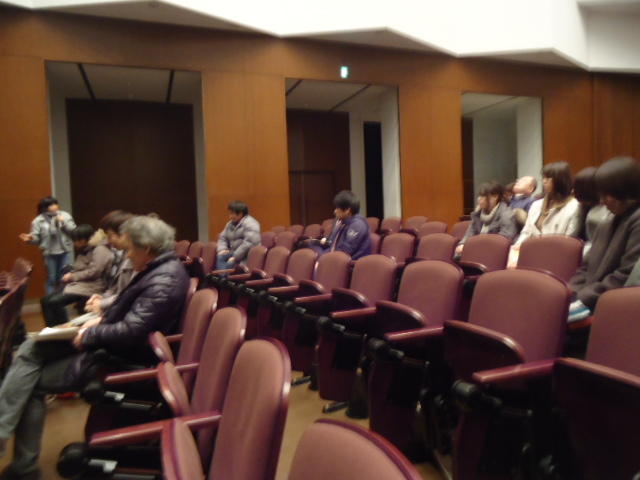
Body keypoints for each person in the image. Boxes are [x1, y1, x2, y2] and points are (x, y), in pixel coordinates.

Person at [0, 216, 190, 479]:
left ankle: (19, 459)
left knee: (31, 373)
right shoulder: (159, 270)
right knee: (30, 349)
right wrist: (100, 320)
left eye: (131, 249)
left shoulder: (163, 279)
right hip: (110, 342)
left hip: (117, 355)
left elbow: (132, 331)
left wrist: (91, 333)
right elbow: (131, 314)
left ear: (146, 249)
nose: (127, 255)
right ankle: (17, 456)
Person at [567, 157, 640, 322]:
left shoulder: (636, 221)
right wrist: (570, 292)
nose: (601, 201)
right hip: (591, 299)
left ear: (625, 191)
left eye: (607, 195)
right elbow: (586, 266)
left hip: (614, 308)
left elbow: (625, 276)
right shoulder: (607, 221)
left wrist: (582, 300)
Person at [39, 224, 114, 327]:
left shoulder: (100, 249)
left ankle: (62, 331)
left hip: (93, 286)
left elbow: (94, 272)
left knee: (53, 302)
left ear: (83, 240)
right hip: (82, 284)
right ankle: (52, 330)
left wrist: (72, 276)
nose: (74, 243)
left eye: (75, 240)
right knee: (45, 300)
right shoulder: (89, 248)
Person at [18, 197, 76, 294]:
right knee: (52, 278)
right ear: (45, 207)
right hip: (49, 253)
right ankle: (50, 299)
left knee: (64, 277)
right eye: (51, 205)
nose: (54, 206)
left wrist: (63, 222)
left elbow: (74, 231)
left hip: (64, 251)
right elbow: (37, 238)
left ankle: (62, 300)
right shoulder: (38, 220)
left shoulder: (65, 215)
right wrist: (30, 239)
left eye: (55, 203)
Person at [514, 162, 580, 247]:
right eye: (544, 178)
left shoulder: (574, 207)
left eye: (548, 178)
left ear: (561, 180)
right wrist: (518, 246)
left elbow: (568, 241)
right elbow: (526, 232)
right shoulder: (536, 204)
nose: (544, 181)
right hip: (531, 250)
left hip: (556, 251)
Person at [84, 210, 135, 316]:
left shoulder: (136, 258)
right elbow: (116, 289)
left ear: (125, 234)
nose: (108, 240)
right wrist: (102, 297)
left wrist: (102, 303)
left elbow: (130, 296)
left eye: (110, 235)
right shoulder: (124, 254)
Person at [456, 182, 517, 255]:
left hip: (494, 253)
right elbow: (470, 233)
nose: (479, 199)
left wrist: (476, 247)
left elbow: (503, 240)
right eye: (479, 196)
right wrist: (462, 244)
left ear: (495, 197)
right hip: (477, 249)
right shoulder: (478, 214)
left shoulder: (506, 214)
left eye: (483, 196)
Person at [310, 190, 371, 260]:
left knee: (315, 253)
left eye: (337, 208)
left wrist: (324, 256)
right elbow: (331, 243)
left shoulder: (358, 225)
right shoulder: (342, 222)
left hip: (351, 263)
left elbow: (345, 251)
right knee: (311, 246)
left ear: (347, 210)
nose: (335, 211)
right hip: (336, 258)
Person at [573, 166, 612, 253]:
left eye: (576, 187)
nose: (573, 191)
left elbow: (597, 245)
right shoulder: (582, 207)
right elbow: (575, 234)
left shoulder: (602, 213)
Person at [216, 201, 261, 270]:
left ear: (240, 214)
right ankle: (222, 276)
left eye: (232, 214)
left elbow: (249, 243)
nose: (230, 217)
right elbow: (222, 237)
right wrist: (222, 249)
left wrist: (235, 257)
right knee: (220, 256)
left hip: (246, 256)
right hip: (234, 252)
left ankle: (223, 276)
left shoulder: (251, 224)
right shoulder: (230, 224)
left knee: (230, 263)